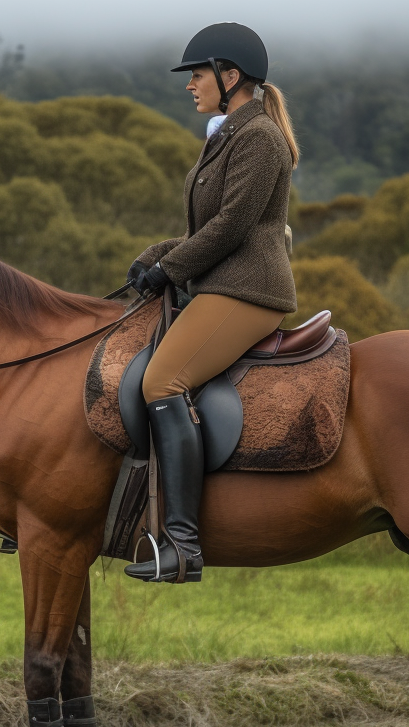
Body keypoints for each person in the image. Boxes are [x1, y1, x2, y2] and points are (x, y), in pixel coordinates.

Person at [124, 21, 300, 583]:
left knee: (162, 381)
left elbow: (231, 227)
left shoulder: (259, 137)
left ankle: (183, 544)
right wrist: (153, 257)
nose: (190, 84)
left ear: (231, 76)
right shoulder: (229, 133)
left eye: (197, 74)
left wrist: (169, 270)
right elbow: (207, 226)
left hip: (247, 289)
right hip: (221, 280)